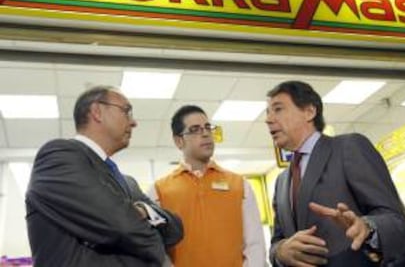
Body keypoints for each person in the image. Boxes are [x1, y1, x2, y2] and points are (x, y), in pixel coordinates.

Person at [26, 86, 183, 267]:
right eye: (126, 111)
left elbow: (176, 230)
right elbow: (122, 226)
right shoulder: (58, 156)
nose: (134, 122)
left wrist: (144, 210)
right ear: (97, 112)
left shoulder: (128, 183)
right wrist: (156, 246)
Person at [266, 80, 405, 267]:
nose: (268, 119)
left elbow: (396, 222)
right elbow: (276, 241)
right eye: (268, 112)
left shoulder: (348, 147)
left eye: (278, 109)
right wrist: (280, 251)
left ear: (309, 112)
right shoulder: (281, 182)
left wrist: (367, 228)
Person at [147, 105, 267, 267]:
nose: (205, 134)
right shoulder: (159, 191)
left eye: (208, 128)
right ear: (179, 141)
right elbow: (157, 249)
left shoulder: (240, 185)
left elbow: (255, 244)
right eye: (195, 129)